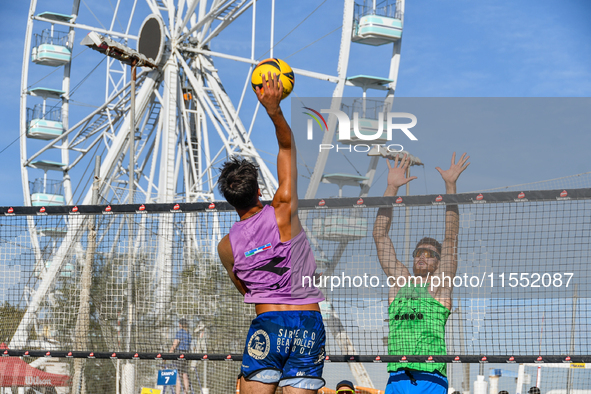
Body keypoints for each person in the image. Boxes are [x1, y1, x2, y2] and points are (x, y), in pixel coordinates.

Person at [217, 72, 326, 393]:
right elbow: (287, 146)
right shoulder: (283, 210)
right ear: (259, 190)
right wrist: (274, 109)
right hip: (308, 323)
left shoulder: (227, 247)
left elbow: (247, 291)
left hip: (269, 325)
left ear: (228, 198)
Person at [373, 153, 470, 394]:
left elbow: (450, 237)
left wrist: (450, 186)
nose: (422, 256)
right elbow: (380, 236)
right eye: (419, 252)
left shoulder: (439, 285)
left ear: (439, 262)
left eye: (429, 253)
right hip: (397, 374)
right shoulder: (400, 281)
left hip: (430, 375)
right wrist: (390, 188)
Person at [169, 318, 192, 394]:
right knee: (185, 374)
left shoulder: (180, 332)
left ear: (180, 324)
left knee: (178, 375)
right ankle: (186, 392)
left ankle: (177, 393)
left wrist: (168, 354)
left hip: (180, 354)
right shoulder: (189, 333)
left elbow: (174, 344)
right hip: (187, 354)